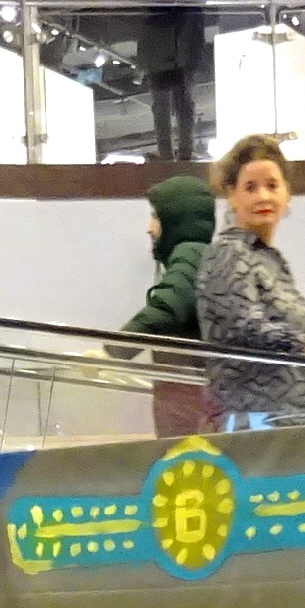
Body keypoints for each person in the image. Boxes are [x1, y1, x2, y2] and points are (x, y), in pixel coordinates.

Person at [193, 136, 305, 428]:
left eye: (272, 185)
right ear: (231, 194)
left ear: (287, 193)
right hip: (252, 425)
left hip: (289, 421)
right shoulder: (227, 252)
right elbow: (246, 327)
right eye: (250, 187)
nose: (263, 196)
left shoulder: (269, 259)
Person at [121, 170, 216, 438]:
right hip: (190, 404)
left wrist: (112, 351)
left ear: (176, 219)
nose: (149, 228)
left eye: (156, 217)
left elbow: (167, 308)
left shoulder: (191, 255)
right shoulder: (194, 257)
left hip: (189, 408)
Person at [134, 0, 213, 164]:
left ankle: (186, 153)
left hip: (186, 35)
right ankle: (166, 156)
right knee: (160, 101)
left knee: (184, 98)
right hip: (157, 38)